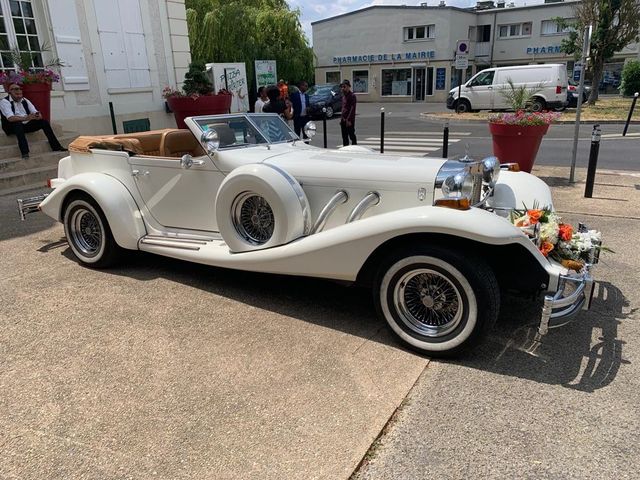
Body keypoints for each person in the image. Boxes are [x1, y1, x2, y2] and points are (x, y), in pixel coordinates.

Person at [1, 83, 66, 159]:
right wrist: (26, 118)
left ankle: (56, 146)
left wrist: (37, 116)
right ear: (10, 92)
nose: (19, 94)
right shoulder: (4, 102)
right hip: (11, 126)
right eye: (16, 92)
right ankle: (25, 152)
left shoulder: (25, 100)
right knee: (17, 124)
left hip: (25, 124)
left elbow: (35, 112)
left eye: (20, 92)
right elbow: (10, 118)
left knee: (44, 122)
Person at [339, 79, 357, 146]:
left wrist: (348, 120)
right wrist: (341, 119)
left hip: (349, 120)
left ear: (349, 87)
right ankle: (345, 149)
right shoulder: (343, 96)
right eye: (342, 87)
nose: (343, 88)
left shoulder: (352, 96)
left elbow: (352, 109)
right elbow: (343, 108)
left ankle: (354, 147)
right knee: (344, 137)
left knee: (351, 135)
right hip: (343, 120)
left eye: (344, 87)